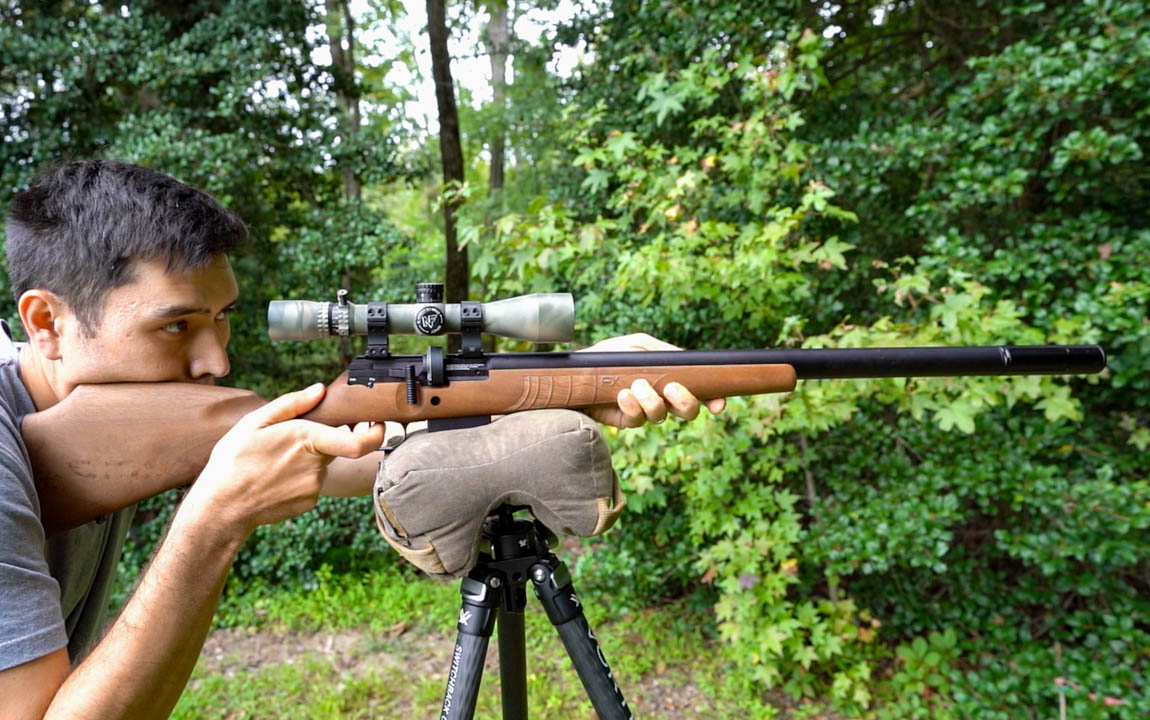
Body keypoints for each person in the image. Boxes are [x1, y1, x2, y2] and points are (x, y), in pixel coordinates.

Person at [0, 159, 722, 719]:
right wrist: (214, 521)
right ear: (46, 323)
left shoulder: (100, 417)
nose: (216, 360)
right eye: (176, 326)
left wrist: (576, 380)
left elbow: (356, 451)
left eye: (222, 318)